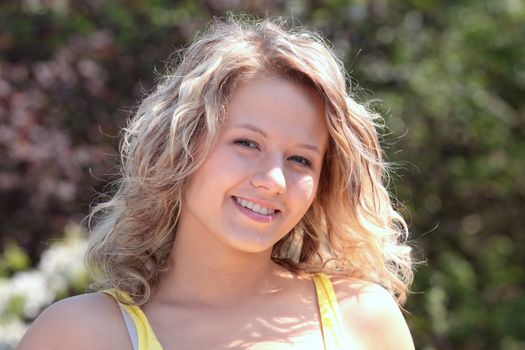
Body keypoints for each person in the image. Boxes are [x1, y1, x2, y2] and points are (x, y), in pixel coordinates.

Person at [18, 16, 415, 350]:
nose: (274, 180)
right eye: (247, 143)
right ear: (181, 146)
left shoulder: (363, 320)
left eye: (300, 159)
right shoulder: (77, 335)